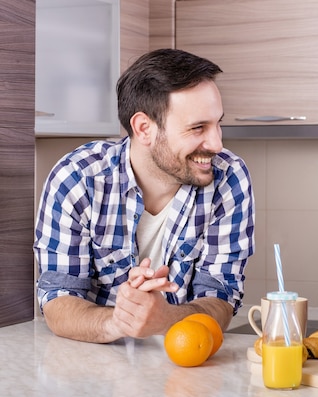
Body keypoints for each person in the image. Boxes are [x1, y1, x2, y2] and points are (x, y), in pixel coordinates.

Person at [34, 49, 255, 343]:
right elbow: (57, 301)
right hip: (95, 366)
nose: (216, 143)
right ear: (144, 128)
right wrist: (120, 321)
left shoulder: (228, 178)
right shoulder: (77, 179)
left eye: (218, 124)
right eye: (198, 127)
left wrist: (165, 319)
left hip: (188, 364)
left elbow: (221, 297)